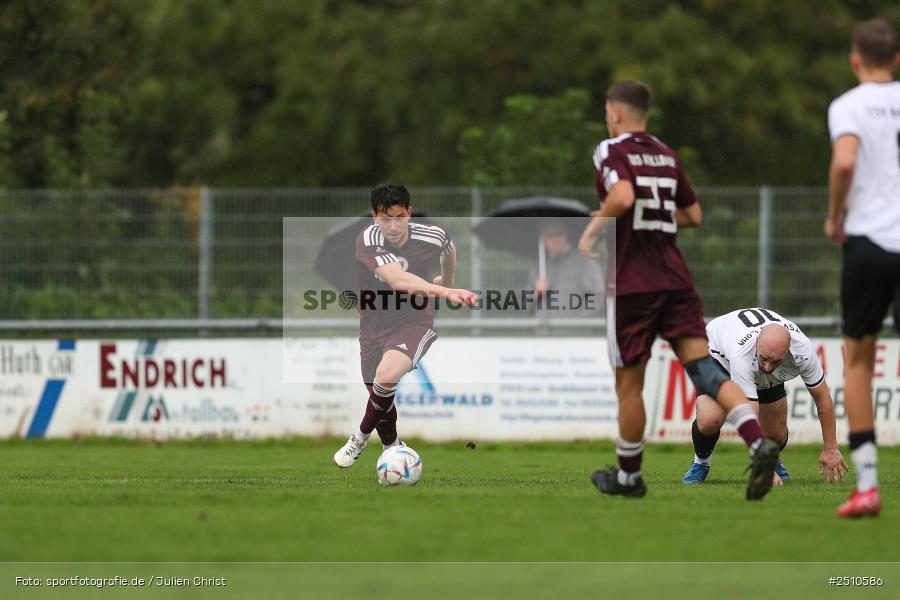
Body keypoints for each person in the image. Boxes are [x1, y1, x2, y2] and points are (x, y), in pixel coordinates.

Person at [578, 81, 780, 500]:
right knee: (704, 368)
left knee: (629, 384)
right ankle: (757, 441)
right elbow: (693, 214)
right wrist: (652, 217)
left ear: (615, 114)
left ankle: (630, 476)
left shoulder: (609, 149)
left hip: (632, 283)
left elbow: (623, 194)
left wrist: (594, 231)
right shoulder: (666, 154)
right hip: (675, 277)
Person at [333, 183, 477, 467]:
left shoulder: (432, 234)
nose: (393, 226)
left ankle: (359, 439)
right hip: (372, 326)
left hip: (414, 322)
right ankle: (393, 451)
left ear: (409, 214)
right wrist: (447, 292)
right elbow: (398, 280)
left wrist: (446, 280)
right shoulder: (369, 239)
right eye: (386, 219)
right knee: (380, 396)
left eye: (399, 217)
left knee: (385, 377)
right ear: (375, 217)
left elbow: (449, 248)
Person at [824, 18, 900, 518]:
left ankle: (867, 486)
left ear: (855, 59)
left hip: (871, 241)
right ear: (896, 59)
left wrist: (835, 216)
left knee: (858, 359)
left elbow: (845, 162)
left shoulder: (847, 104)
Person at [681, 308, 847, 485]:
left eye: (775, 361)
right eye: (765, 358)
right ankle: (701, 462)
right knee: (710, 419)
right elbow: (747, 413)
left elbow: (822, 399)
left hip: (754, 359)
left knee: (776, 435)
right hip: (717, 353)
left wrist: (831, 448)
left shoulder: (803, 351)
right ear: (756, 342)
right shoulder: (742, 353)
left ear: (788, 351)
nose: (767, 367)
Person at [530, 220, 604, 319]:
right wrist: (537, 294)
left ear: (566, 235)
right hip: (542, 332)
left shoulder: (584, 261)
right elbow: (527, 307)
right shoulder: (538, 266)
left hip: (572, 332)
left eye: (559, 234)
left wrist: (577, 323)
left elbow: (597, 297)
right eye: (550, 236)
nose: (555, 239)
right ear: (543, 239)